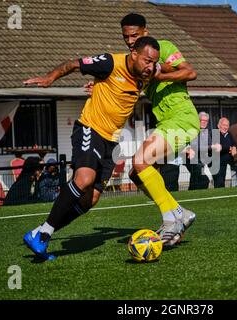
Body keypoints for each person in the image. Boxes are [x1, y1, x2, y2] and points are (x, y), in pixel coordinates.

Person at [22, 36, 161, 259]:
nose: (150, 67)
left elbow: (169, 69)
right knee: (84, 179)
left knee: (90, 199)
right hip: (90, 128)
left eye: (153, 62)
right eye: (147, 61)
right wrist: (50, 78)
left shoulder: (148, 72)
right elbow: (75, 64)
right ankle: (44, 233)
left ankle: (39, 232)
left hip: (111, 141)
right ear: (133, 54)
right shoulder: (109, 62)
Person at [119, 13, 201, 245]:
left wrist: (161, 74)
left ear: (145, 32)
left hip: (182, 118)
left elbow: (190, 72)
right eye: (126, 36)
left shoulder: (162, 47)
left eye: (134, 35)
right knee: (136, 174)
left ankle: (170, 219)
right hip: (165, 122)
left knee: (140, 161)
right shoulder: (136, 61)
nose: (129, 40)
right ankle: (178, 214)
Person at [185, 112, 220, 190]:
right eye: (202, 120)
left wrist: (216, 146)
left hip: (202, 160)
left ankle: (192, 193)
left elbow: (210, 144)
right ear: (198, 120)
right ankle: (193, 193)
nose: (204, 122)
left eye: (206, 121)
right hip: (193, 160)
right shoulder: (193, 131)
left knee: (196, 180)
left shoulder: (206, 132)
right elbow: (195, 147)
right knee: (203, 179)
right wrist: (212, 147)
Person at [212, 117, 234, 188]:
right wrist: (229, 148)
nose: (225, 127)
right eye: (224, 125)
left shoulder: (229, 134)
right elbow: (220, 147)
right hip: (216, 163)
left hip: (224, 162)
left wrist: (233, 147)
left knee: (222, 181)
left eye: (227, 125)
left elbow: (233, 143)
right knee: (219, 182)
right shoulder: (214, 133)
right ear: (219, 126)